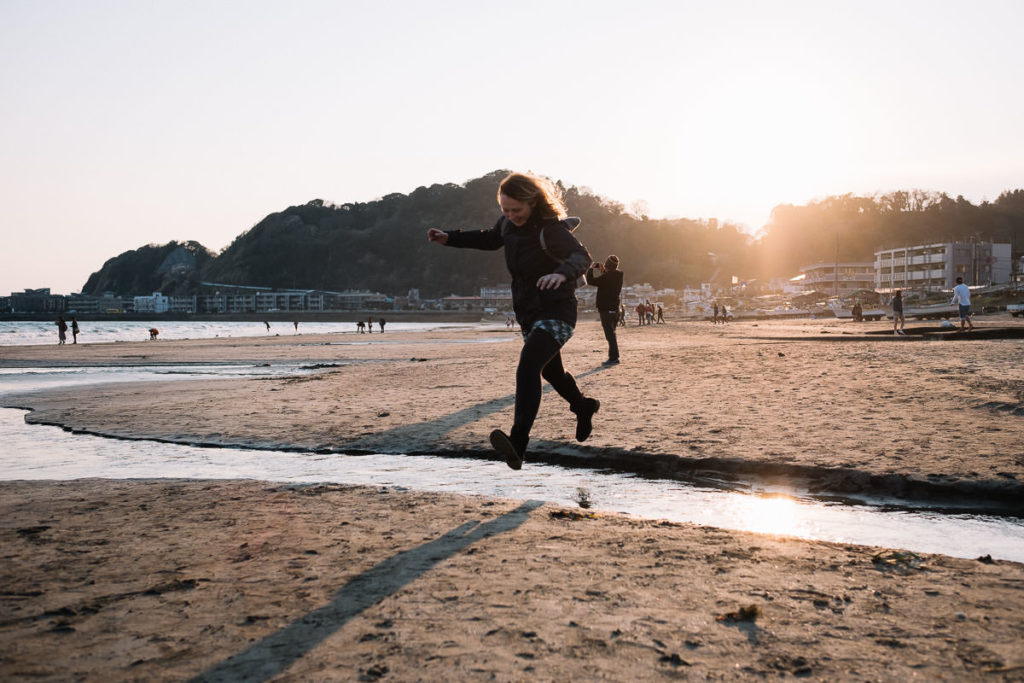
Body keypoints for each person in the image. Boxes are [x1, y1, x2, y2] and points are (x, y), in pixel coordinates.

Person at [426, 171, 598, 470]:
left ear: (533, 202)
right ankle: (583, 406)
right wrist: (450, 238)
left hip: (558, 311)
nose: (510, 215)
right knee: (551, 373)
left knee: (529, 365)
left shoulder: (551, 229)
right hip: (528, 312)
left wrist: (561, 273)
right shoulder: (507, 224)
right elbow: (490, 239)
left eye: (516, 210)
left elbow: (581, 256)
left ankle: (519, 442)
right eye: (505, 210)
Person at [586, 255, 623, 366]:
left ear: (607, 265)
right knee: (612, 334)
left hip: (606, 310)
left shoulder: (607, 278)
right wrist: (603, 271)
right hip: (615, 310)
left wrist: (591, 269)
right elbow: (607, 280)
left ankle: (614, 358)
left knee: (610, 335)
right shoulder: (618, 275)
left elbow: (590, 280)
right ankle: (613, 357)